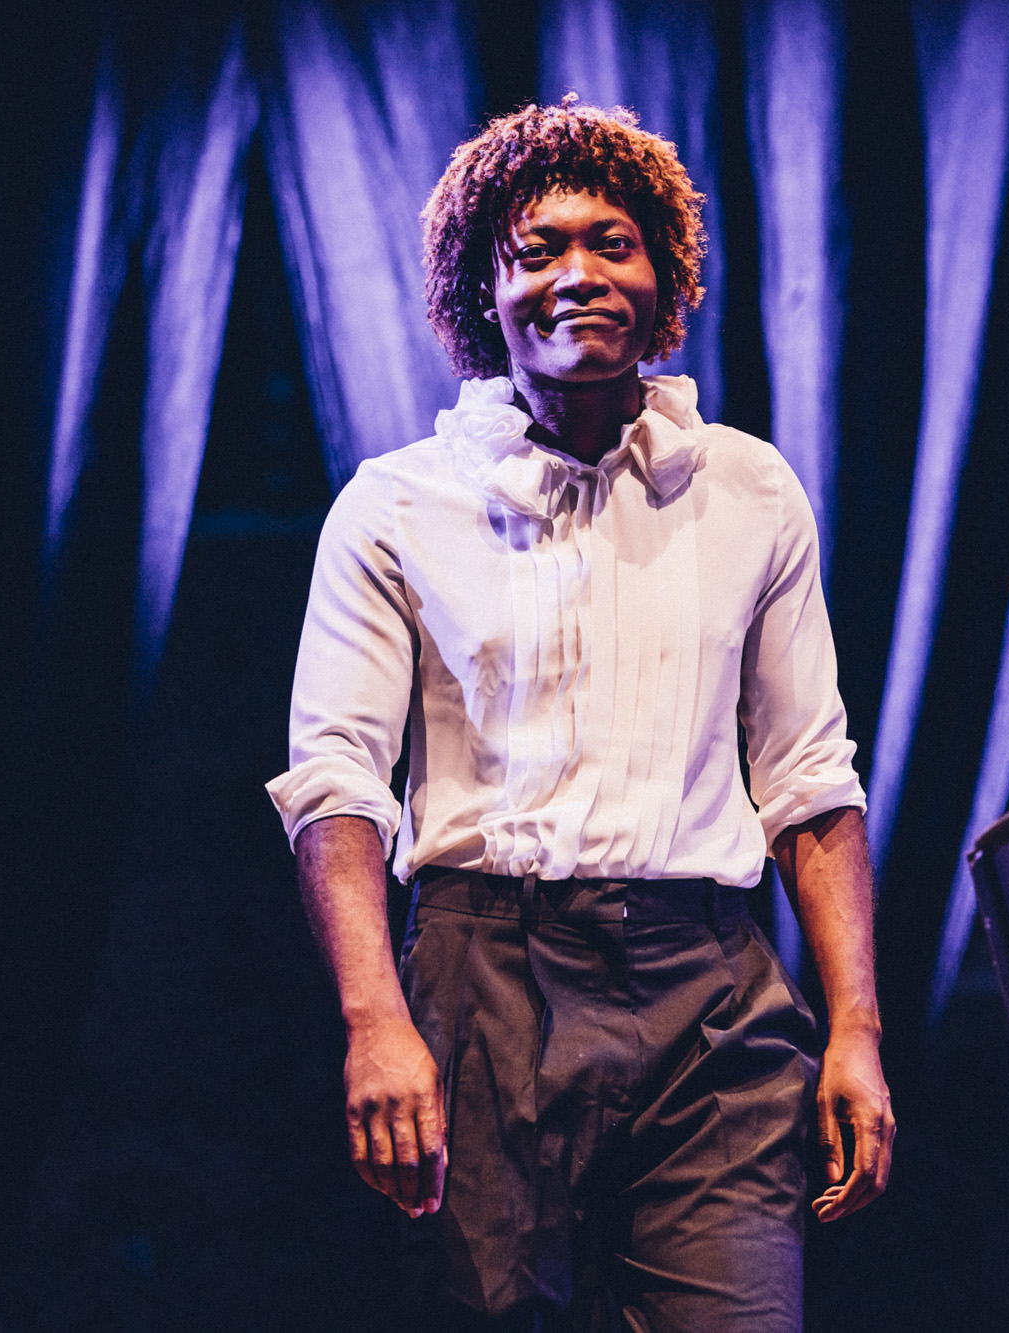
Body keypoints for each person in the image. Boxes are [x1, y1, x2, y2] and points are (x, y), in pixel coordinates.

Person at [266, 98, 891, 1332]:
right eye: (536, 250)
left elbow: (809, 780)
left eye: (612, 242)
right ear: (482, 291)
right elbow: (335, 782)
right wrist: (374, 1022)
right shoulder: (395, 506)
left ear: (664, 276)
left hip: (707, 992)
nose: (578, 274)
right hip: (484, 979)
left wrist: (856, 1029)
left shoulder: (748, 489)